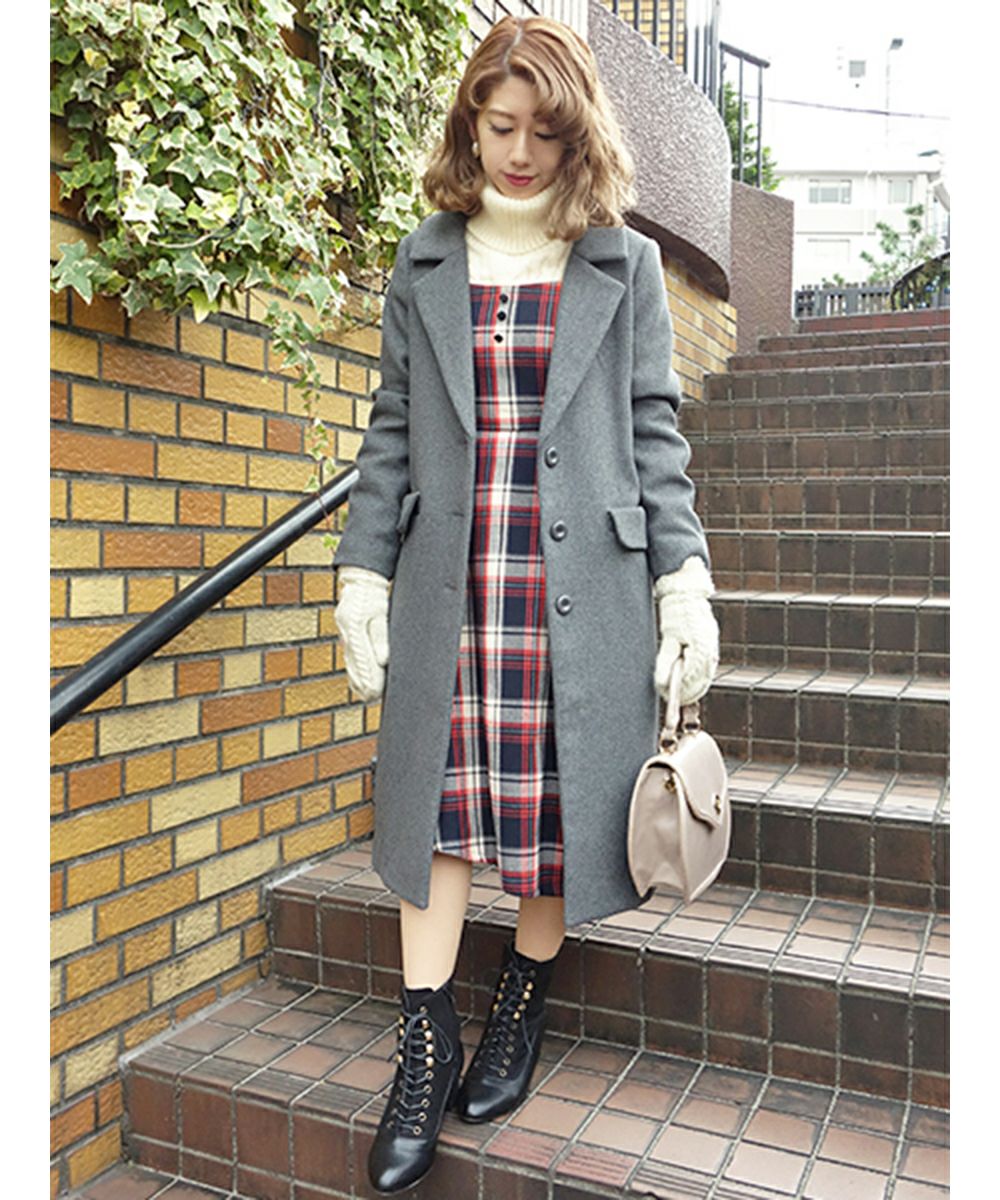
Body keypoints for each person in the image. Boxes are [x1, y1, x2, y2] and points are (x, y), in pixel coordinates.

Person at [331, 14, 719, 1194]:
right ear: (470, 125)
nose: (517, 153)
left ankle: (522, 999)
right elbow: (391, 434)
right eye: (498, 127)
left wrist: (682, 581)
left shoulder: (622, 265)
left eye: (542, 133)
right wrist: (361, 572)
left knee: (547, 808)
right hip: (452, 581)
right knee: (439, 813)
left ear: (576, 134)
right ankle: (425, 1043)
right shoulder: (425, 262)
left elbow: (653, 437)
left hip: (581, 585)